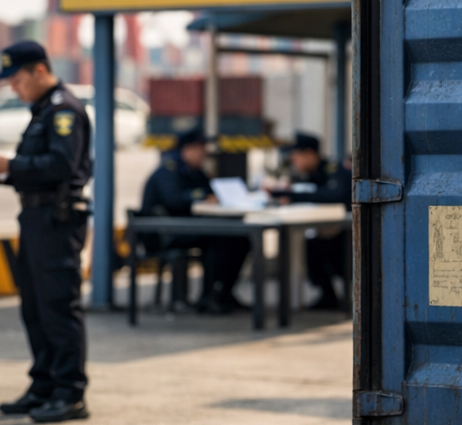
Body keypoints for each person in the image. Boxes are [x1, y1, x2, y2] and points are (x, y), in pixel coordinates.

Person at [0, 41, 92, 423]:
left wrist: (9, 166)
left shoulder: (63, 111)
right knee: (35, 307)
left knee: (58, 306)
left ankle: (70, 392)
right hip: (36, 218)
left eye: (17, 79)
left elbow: (59, 165)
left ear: (39, 71)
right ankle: (43, 383)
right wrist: (2, 172)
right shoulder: (42, 110)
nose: (14, 87)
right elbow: (36, 168)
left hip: (56, 221)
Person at [140, 128, 249, 314]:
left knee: (240, 238)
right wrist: (201, 198)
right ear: (188, 149)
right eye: (201, 148)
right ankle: (208, 297)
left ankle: (224, 292)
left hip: (189, 228)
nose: (205, 153)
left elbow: (212, 192)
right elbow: (174, 200)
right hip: (165, 232)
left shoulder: (196, 171)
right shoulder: (169, 169)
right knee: (219, 240)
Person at [270, 132, 352, 310]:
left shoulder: (332, 169)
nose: (293, 161)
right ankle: (327, 295)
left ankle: (335, 297)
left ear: (309, 153)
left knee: (319, 246)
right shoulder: (311, 174)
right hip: (332, 230)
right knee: (312, 244)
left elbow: (332, 195)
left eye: (296, 156)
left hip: (348, 232)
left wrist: (292, 196)